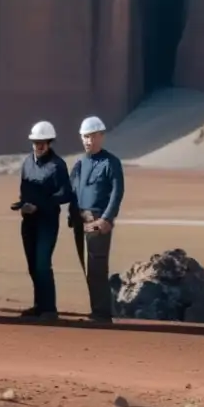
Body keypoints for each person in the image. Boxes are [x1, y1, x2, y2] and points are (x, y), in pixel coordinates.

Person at [14, 120, 72, 321]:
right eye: (36, 142)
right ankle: (39, 305)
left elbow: (65, 194)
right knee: (32, 264)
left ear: (50, 143)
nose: (39, 146)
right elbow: (24, 190)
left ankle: (49, 309)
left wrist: (42, 204)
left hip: (47, 221)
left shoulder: (57, 166)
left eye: (43, 142)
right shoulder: (27, 163)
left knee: (42, 263)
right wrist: (22, 205)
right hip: (29, 221)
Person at [69, 116, 124, 324]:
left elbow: (117, 193)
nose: (88, 141)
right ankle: (97, 311)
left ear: (101, 136)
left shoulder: (111, 162)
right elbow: (72, 189)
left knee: (97, 268)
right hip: (80, 221)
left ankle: (102, 314)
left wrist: (107, 219)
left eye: (92, 137)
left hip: (98, 220)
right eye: (84, 137)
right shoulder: (81, 163)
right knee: (88, 268)